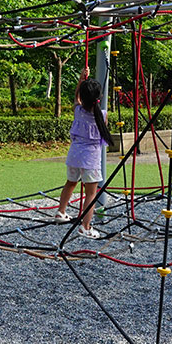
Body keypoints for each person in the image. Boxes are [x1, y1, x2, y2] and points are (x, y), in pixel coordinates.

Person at [56, 68, 115, 239]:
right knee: (91, 193)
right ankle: (86, 226)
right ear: (99, 97)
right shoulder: (102, 115)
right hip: (90, 160)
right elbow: (83, 99)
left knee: (70, 183)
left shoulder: (78, 111)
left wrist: (81, 80)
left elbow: (77, 97)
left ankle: (61, 212)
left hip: (74, 156)